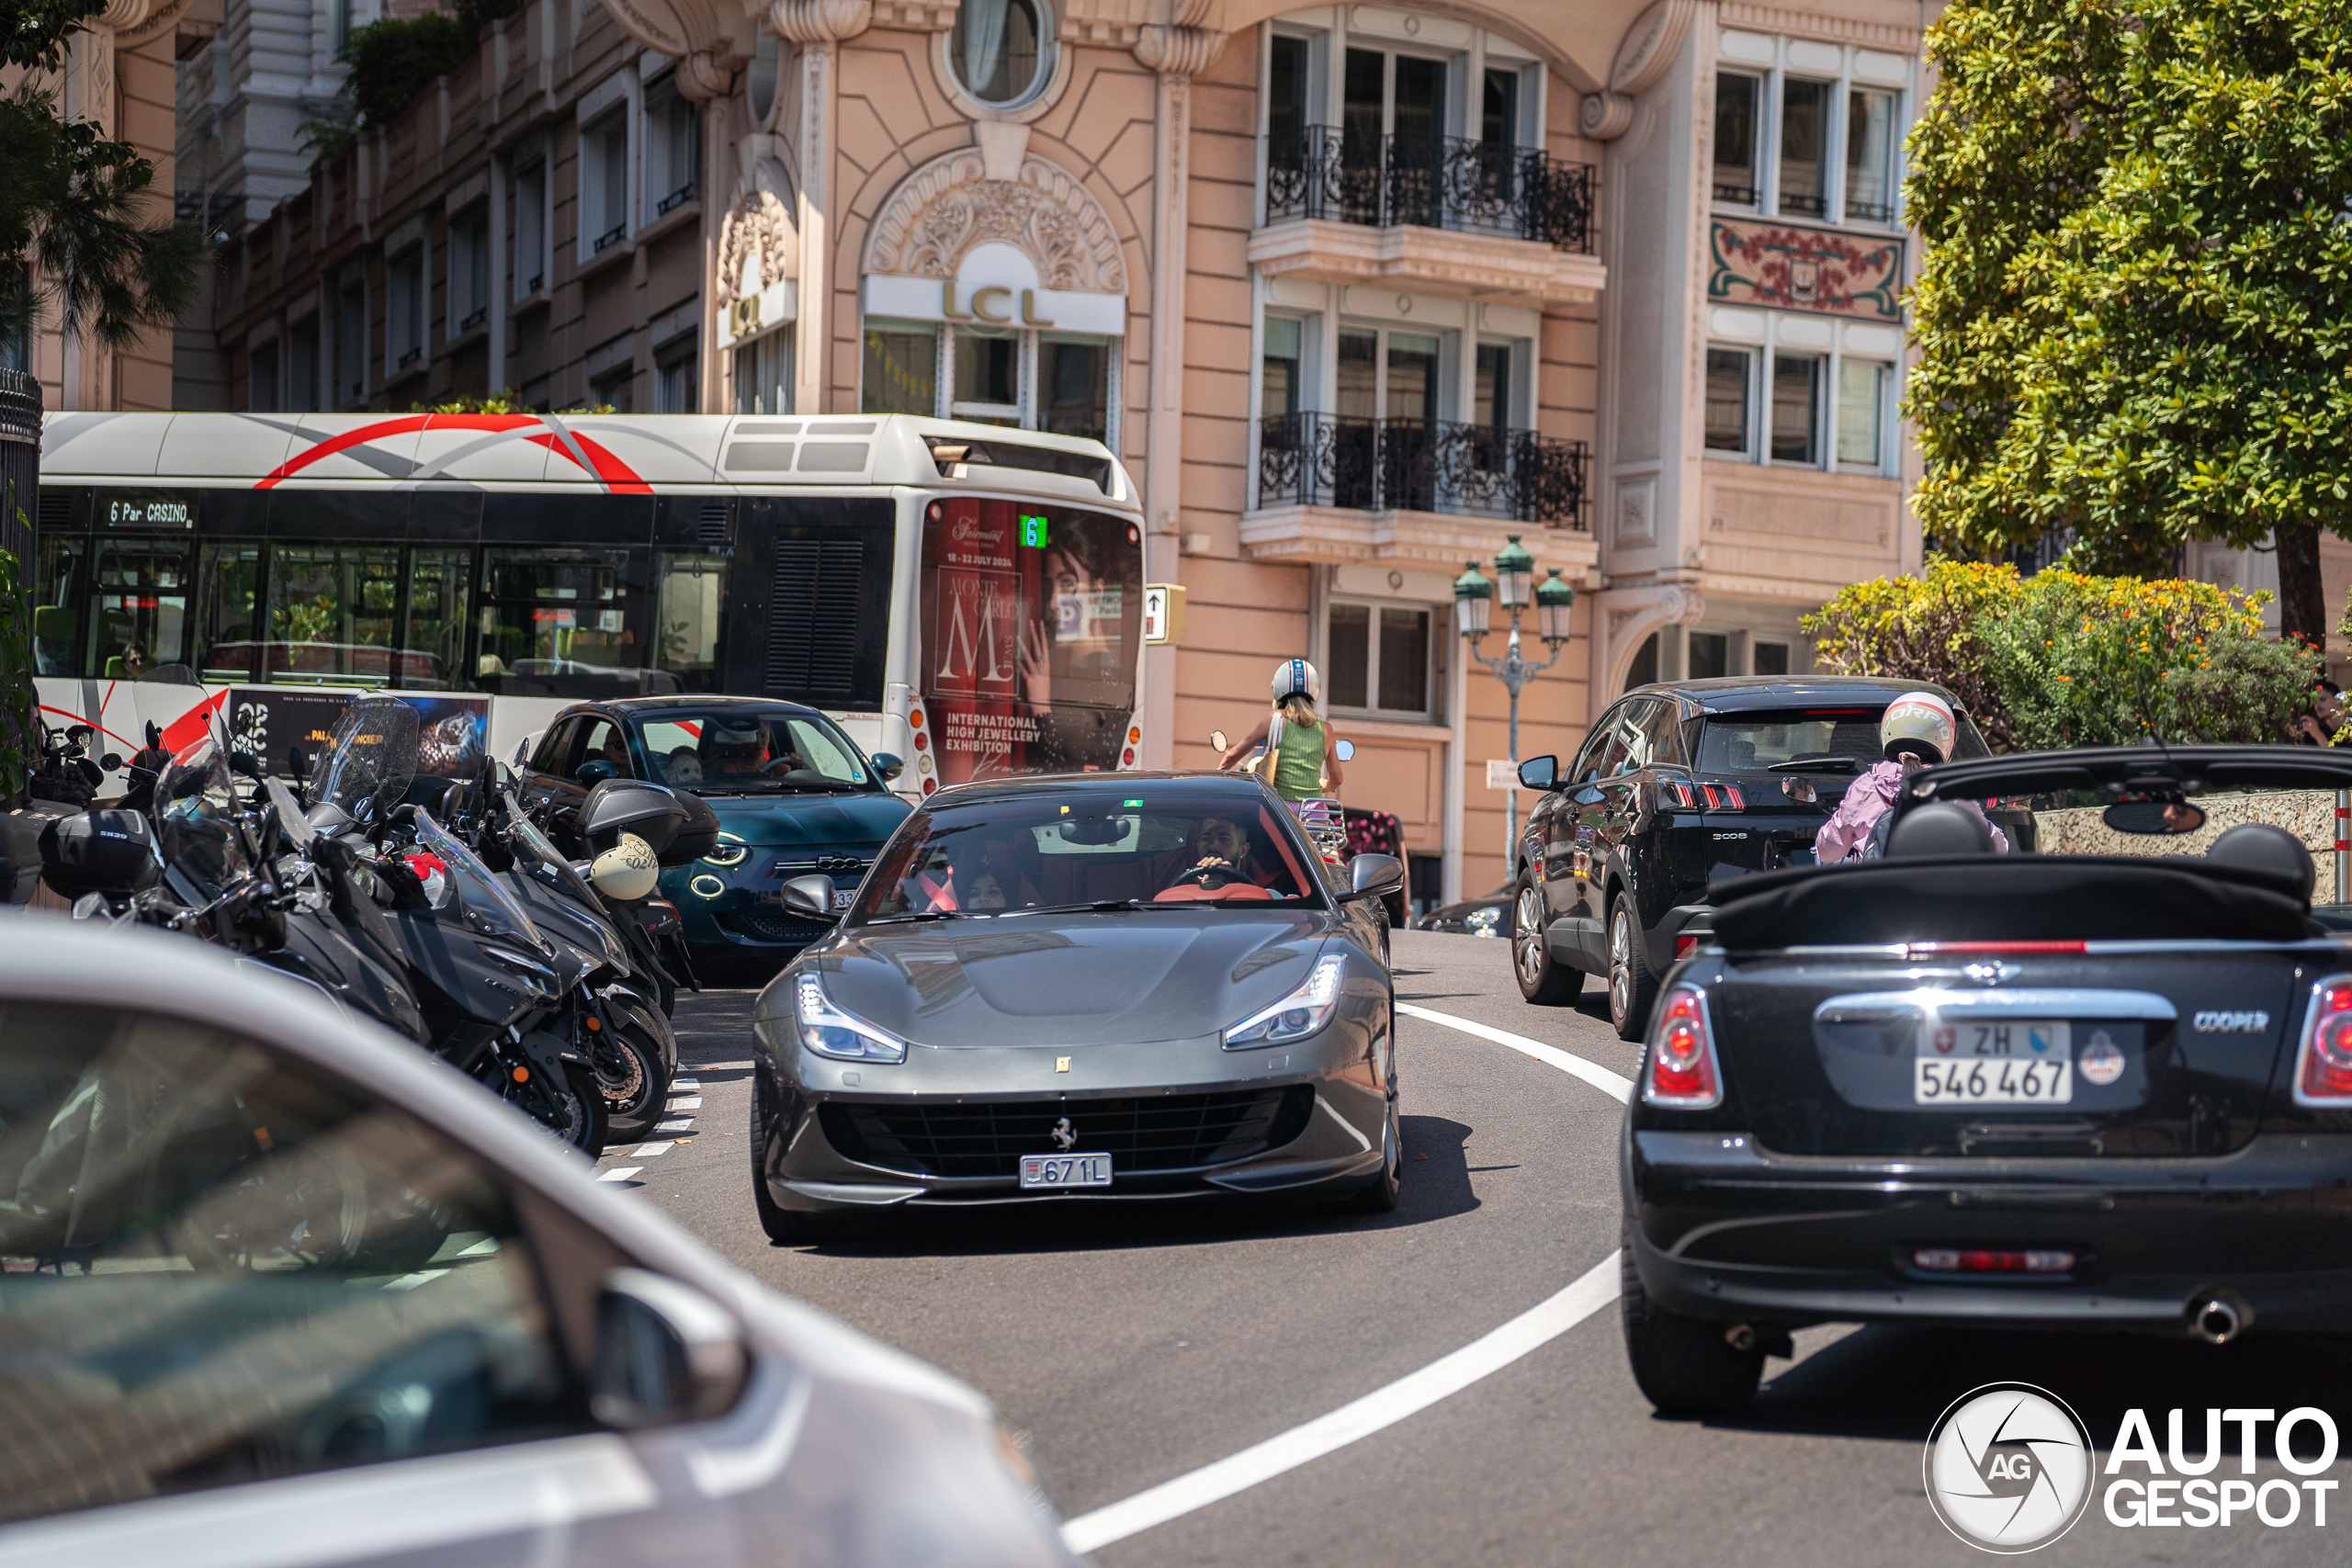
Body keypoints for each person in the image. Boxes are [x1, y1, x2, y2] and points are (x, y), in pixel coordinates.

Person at [1815, 691, 2009, 863]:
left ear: (1887, 732)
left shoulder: (1866, 787)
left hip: (1880, 896)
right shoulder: (1951, 789)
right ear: (1945, 739)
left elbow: (1827, 852)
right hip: (1940, 897)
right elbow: (1997, 849)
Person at [1216, 660, 1345, 803]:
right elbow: (1337, 779)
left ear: (1278, 689)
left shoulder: (1274, 721)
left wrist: (1214, 783)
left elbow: (1231, 756)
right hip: (1313, 813)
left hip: (1282, 813)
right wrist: (1321, 787)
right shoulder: (1326, 730)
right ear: (1314, 692)